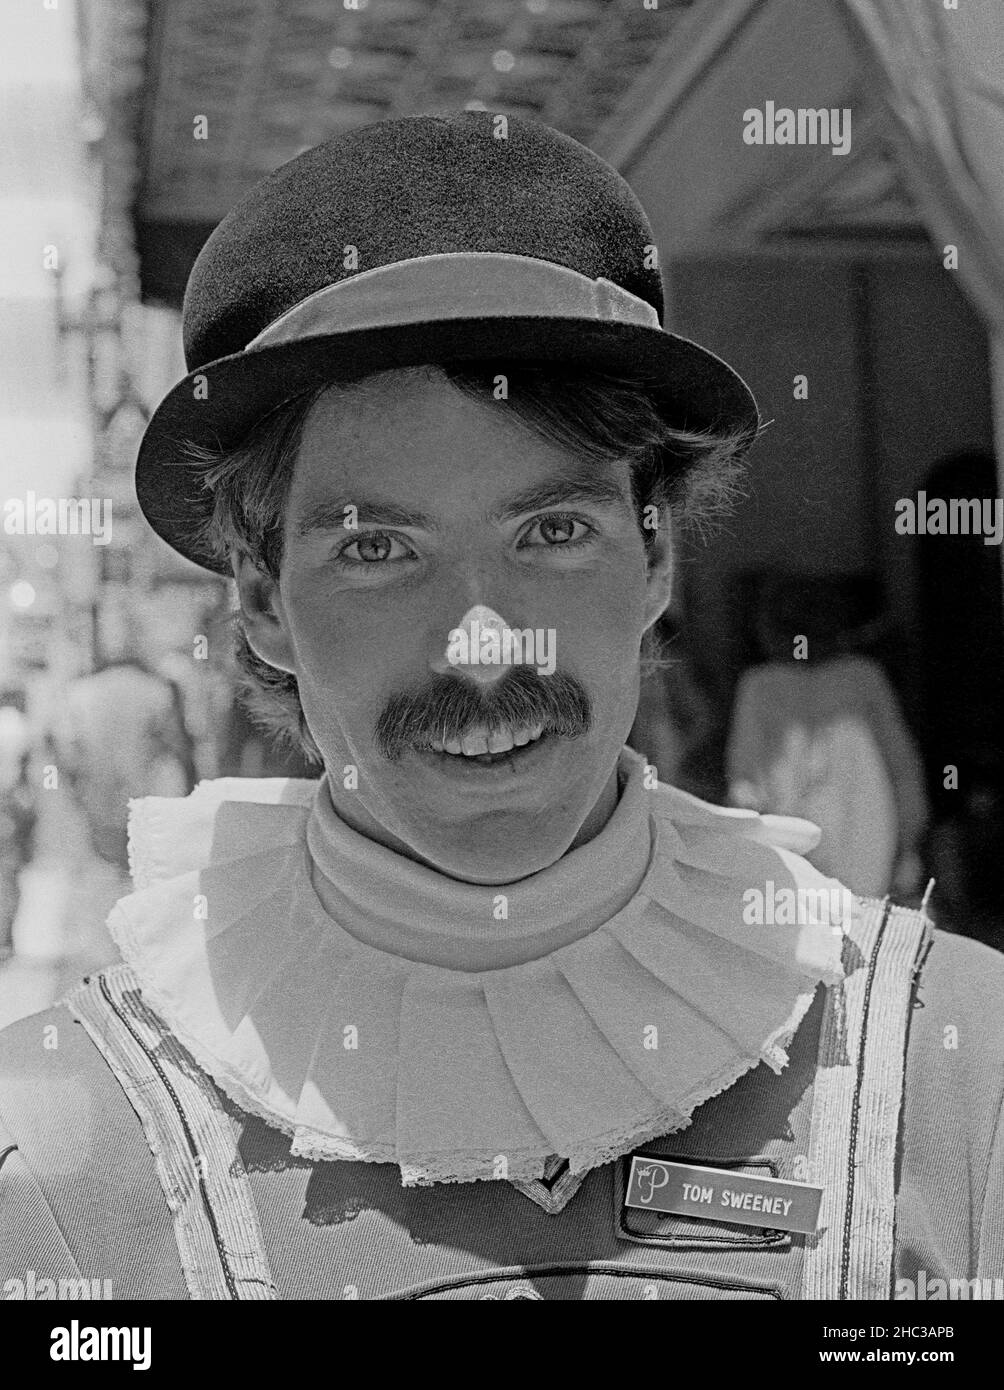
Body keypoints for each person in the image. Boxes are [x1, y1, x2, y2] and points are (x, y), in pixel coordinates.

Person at [0, 113, 1001, 1301]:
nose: (483, 646)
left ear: (656, 559)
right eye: (378, 547)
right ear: (262, 599)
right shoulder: (65, 1154)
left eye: (551, 531)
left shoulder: (953, 1067)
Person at [726, 575, 929, 899]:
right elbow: (902, 766)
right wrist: (909, 847)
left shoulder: (760, 685)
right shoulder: (862, 677)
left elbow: (744, 783)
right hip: (867, 844)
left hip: (795, 850)